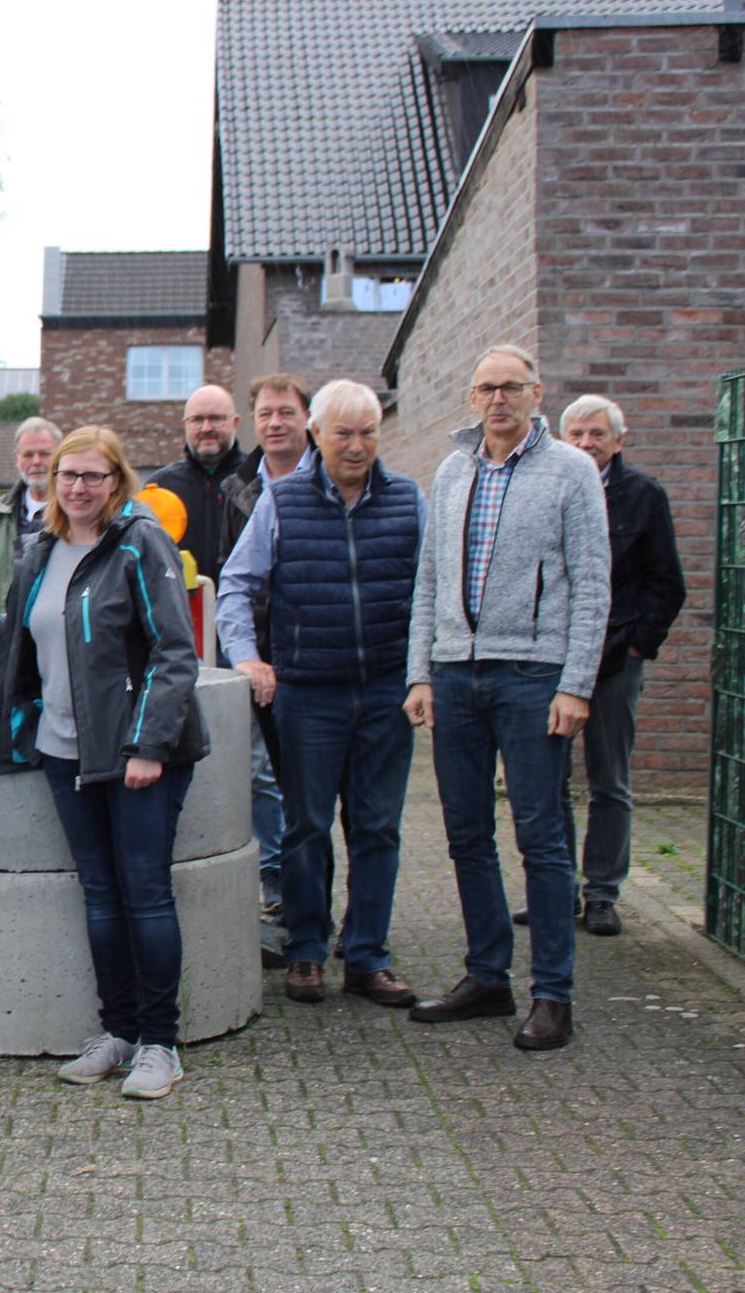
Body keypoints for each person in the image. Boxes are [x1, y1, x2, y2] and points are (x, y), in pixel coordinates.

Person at [0, 425, 207, 1100]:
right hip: (63, 751)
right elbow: (16, 640)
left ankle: (160, 1044)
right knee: (102, 896)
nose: (79, 487)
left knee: (145, 892)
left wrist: (147, 746)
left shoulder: (140, 544)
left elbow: (176, 652)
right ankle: (117, 1029)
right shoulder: (39, 552)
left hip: (137, 753)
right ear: (50, 482)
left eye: (92, 475)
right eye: (67, 475)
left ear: (117, 482)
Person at [404, 344, 609, 1051]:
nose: (498, 399)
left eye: (511, 387)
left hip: (533, 675)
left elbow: (593, 582)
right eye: (486, 387)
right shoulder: (454, 469)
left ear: (536, 392)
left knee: (541, 837)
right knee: (465, 835)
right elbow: (429, 580)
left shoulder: (572, 471)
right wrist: (420, 672)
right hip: (457, 672)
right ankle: (487, 976)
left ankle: (553, 993)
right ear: (471, 397)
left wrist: (577, 683)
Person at [218, 381, 425, 1007]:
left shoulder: (410, 500)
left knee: (376, 827)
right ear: (319, 434)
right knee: (306, 827)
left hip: (386, 691)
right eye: (344, 433)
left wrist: (423, 675)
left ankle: (366, 956)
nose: (357, 446)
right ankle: (306, 951)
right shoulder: (281, 501)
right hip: (308, 694)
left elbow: (430, 593)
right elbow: (235, 586)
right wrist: (248, 659)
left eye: (368, 433)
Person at [532, 394, 685, 937]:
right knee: (547, 781)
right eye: (576, 433)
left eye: (597, 434)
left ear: (618, 441)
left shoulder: (643, 496)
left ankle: (601, 892)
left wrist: (639, 645)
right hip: (551, 657)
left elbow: (667, 581)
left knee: (608, 781)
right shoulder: (548, 488)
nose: (585, 443)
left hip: (616, 659)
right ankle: (557, 890)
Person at [219, 374, 313, 913]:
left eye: (286, 412)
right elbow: (233, 576)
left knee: (316, 792)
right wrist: (244, 653)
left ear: (307, 418)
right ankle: (281, 883)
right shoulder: (240, 487)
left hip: (316, 654)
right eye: (266, 414)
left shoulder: (327, 477)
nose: (275, 423)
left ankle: (317, 908)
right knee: (265, 774)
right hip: (257, 657)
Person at [148, 384, 249, 585]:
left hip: (245, 610)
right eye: (197, 419)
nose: (206, 428)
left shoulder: (256, 478)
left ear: (235, 422)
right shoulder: (160, 487)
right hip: (181, 610)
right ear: (185, 424)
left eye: (216, 418)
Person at [0, 416, 62, 613]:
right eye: (28, 455)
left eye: (44, 454)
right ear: (17, 459)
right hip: (3, 634)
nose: (36, 462)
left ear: (60, 456)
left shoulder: (73, 512)